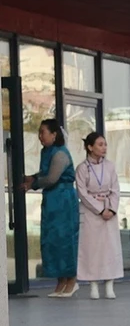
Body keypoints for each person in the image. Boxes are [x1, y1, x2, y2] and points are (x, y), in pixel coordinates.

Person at [21, 120, 79, 297]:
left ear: (54, 134)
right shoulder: (46, 151)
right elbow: (45, 172)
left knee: (65, 240)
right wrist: (31, 177)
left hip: (63, 201)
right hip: (52, 201)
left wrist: (33, 185)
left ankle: (72, 280)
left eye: (43, 132)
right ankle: (60, 281)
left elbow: (52, 178)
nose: (40, 136)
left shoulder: (61, 153)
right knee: (52, 240)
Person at [75, 132, 124, 299]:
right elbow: (82, 192)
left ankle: (110, 284)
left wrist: (111, 208)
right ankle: (93, 285)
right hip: (91, 212)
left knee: (110, 248)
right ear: (90, 147)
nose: (104, 148)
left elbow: (116, 189)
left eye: (105, 144)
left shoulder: (110, 166)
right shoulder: (82, 168)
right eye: (100, 144)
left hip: (109, 211)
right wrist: (99, 209)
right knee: (92, 248)